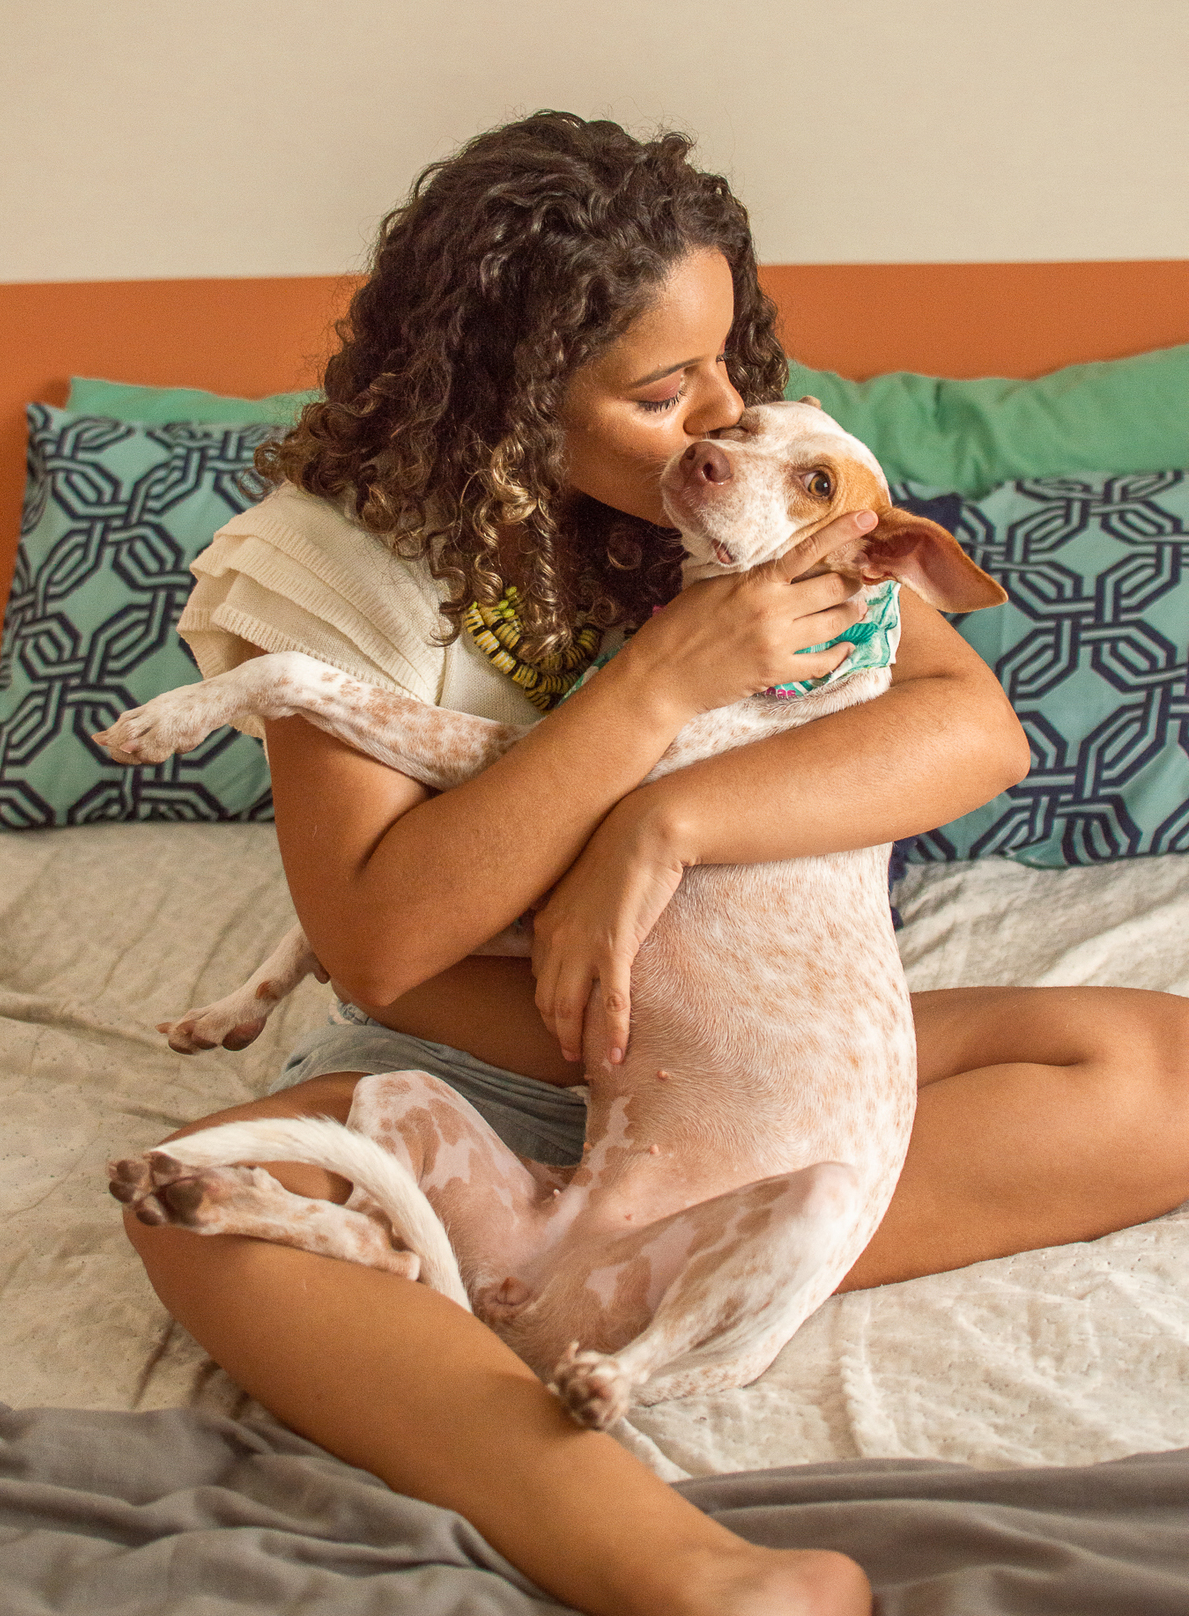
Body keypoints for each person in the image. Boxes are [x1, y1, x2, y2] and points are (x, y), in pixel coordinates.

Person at [126, 112, 1189, 1616]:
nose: (715, 417)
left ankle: (608, 1267)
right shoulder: (334, 562)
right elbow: (376, 937)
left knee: (1160, 1063)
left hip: (731, 1058)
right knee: (207, 1202)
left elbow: (970, 730)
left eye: (724, 362)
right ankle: (677, 1561)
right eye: (655, 389)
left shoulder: (760, 484)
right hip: (495, 1057)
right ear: (503, 401)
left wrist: (663, 825)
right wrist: (656, 697)